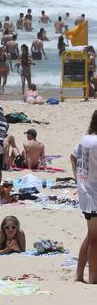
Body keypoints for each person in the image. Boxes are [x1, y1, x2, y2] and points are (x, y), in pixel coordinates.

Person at [71, 110, 97, 283]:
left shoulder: (85, 139)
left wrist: (78, 180)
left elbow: (72, 157)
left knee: (91, 235)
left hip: (85, 192)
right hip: (94, 193)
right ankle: (93, 278)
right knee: (95, 238)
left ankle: (79, 275)